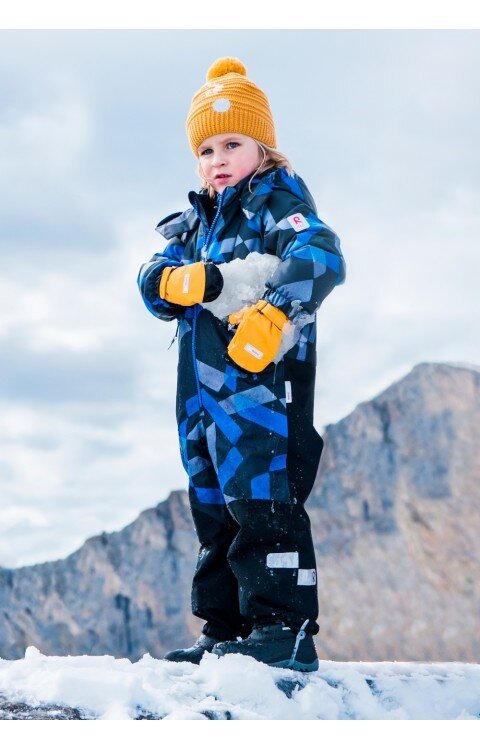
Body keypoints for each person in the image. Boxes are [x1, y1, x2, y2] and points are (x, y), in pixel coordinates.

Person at [137, 56, 346, 671]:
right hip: (200, 402)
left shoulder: (277, 208)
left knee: (263, 503)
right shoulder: (193, 224)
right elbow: (149, 279)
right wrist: (175, 280)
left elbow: (323, 254)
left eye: (232, 143)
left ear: (264, 146)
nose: (218, 159)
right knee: (213, 507)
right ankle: (225, 630)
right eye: (205, 149)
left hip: (260, 398)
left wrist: (278, 308)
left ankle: (283, 631)